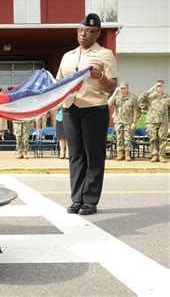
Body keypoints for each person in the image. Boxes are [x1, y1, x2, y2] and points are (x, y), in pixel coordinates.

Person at [57, 13, 117, 215]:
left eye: (89, 31)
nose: (84, 34)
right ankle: (77, 199)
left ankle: (90, 200)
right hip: (70, 109)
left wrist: (99, 75)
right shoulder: (68, 56)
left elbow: (111, 87)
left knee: (94, 155)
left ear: (97, 33)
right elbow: (59, 83)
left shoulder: (105, 54)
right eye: (81, 30)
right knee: (76, 155)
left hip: (94, 109)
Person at [138, 80, 169, 163]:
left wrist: (169, 122)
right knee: (153, 138)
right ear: (155, 87)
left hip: (163, 121)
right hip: (151, 121)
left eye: (160, 86)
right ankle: (154, 155)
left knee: (162, 138)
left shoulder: (167, 97)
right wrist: (149, 91)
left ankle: (161, 155)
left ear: (163, 87)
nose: (159, 88)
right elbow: (140, 100)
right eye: (157, 86)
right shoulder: (150, 97)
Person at [108, 82, 138, 161]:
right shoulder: (116, 97)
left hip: (128, 122)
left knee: (128, 138)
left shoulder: (133, 98)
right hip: (118, 121)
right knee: (119, 138)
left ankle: (127, 155)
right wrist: (115, 92)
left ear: (127, 88)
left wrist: (134, 122)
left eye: (124, 88)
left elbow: (135, 111)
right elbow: (109, 103)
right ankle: (120, 155)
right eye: (121, 88)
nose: (122, 90)